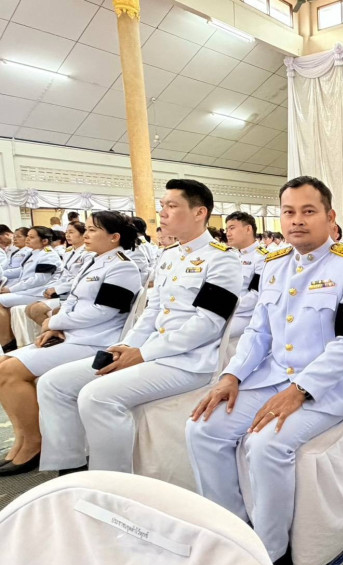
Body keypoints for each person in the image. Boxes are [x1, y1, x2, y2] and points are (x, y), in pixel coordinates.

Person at [186, 175, 343, 565]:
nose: (297, 220)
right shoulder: (274, 264)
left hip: (325, 390)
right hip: (269, 380)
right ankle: (234, 527)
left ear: (330, 217)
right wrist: (232, 376)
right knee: (202, 427)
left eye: (308, 211)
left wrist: (301, 389)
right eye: (289, 212)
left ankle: (269, 550)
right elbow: (258, 333)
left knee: (266, 444)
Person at [36, 179, 242, 475]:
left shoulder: (222, 259)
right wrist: (128, 346)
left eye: (172, 206)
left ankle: (113, 481)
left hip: (188, 361)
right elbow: (152, 311)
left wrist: (144, 354)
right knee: (53, 383)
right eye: (162, 206)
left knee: (96, 396)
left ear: (200, 213)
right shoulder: (169, 256)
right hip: (150, 350)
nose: (163, 213)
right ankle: (71, 467)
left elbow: (208, 324)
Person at [0, 212, 142, 476]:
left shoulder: (122, 267)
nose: (86, 235)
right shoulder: (93, 260)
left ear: (114, 237)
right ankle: (23, 439)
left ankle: (34, 443)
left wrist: (54, 322)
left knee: (10, 372)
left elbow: (104, 311)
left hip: (96, 340)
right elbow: (72, 301)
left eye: (93, 230)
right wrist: (57, 326)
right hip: (73, 334)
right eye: (86, 229)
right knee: (3, 365)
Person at [0, 227, 62, 352]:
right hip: (29, 290)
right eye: (27, 236)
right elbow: (21, 271)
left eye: (32, 237)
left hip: (39, 292)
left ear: (44, 241)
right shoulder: (33, 253)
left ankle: (7, 341)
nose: (27, 239)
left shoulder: (48, 255)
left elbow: (39, 280)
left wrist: (11, 289)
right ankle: (9, 338)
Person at [25, 222, 89, 325]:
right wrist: (52, 288)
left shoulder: (88, 253)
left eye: (71, 232)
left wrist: (57, 289)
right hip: (64, 291)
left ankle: (54, 333)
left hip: (75, 293)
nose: (67, 235)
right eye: (66, 232)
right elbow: (64, 276)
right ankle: (50, 332)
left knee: (36, 309)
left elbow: (81, 278)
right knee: (29, 308)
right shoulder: (69, 251)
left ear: (83, 235)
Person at [225, 211, 266, 338]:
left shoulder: (262, 258)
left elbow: (256, 295)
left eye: (232, 228)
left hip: (247, 315)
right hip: (227, 312)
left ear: (248, 229)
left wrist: (225, 307)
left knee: (212, 335)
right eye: (226, 229)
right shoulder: (231, 255)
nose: (227, 233)